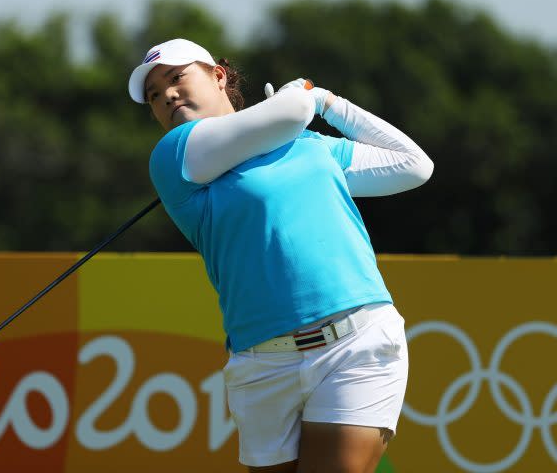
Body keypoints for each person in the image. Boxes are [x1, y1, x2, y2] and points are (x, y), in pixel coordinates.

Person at [128, 38, 433, 473]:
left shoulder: (308, 145)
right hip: (262, 364)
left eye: (176, 78)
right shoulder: (174, 155)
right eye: (154, 95)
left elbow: (413, 164)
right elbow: (289, 111)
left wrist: (328, 103)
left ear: (219, 76)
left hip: (355, 344)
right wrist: (301, 96)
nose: (168, 95)